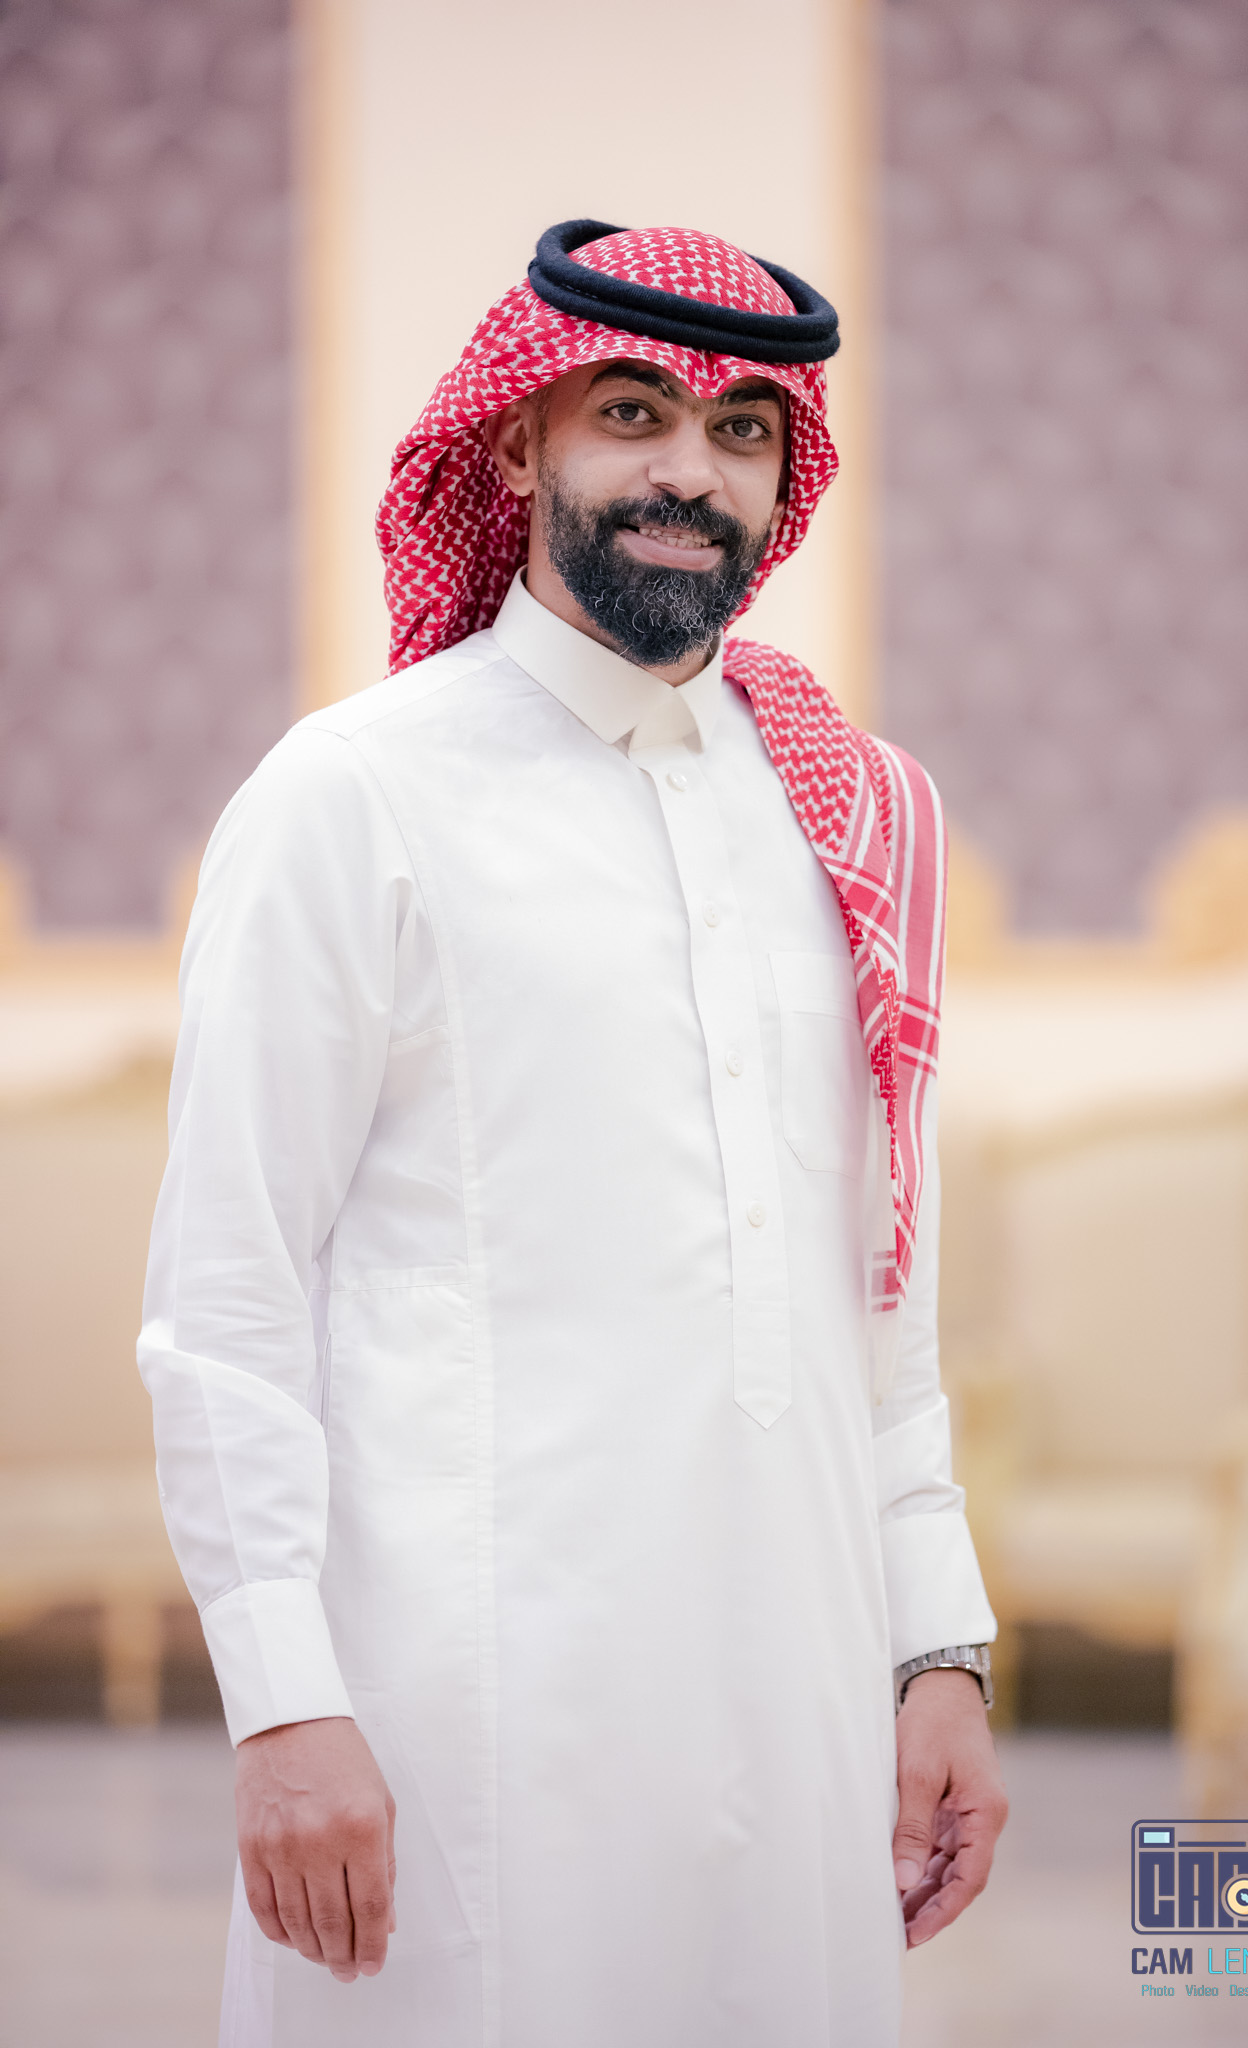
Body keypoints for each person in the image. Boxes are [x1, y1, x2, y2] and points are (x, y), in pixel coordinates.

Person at [139, 219, 1007, 2048]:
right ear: (520, 440)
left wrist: (937, 1651)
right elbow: (225, 1301)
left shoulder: (854, 814)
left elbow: (880, 1302)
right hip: (459, 1718)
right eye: (632, 413)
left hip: (798, 1707)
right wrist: (284, 1704)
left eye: (742, 430)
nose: (691, 470)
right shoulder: (352, 796)